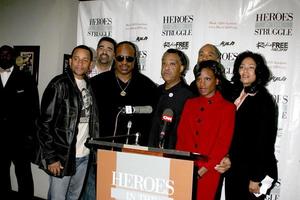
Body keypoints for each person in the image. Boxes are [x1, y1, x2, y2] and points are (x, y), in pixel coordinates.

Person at [36, 45, 99, 200]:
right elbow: (44, 124)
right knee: (58, 197)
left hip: (84, 155)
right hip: (62, 156)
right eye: (76, 59)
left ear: (90, 64)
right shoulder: (58, 84)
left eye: (85, 60)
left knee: (73, 197)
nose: (80, 63)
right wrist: (51, 158)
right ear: (70, 61)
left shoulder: (89, 85)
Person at [176, 60, 236, 200]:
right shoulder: (190, 104)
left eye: (207, 79)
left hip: (210, 171)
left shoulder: (228, 108)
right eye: (199, 79)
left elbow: (222, 144)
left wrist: (204, 168)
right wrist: (182, 164)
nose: (202, 84)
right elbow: (181, 136)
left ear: (217, 81)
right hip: (185, 168)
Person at [225, 51, 278, 200]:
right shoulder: (238, 94)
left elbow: (264, 141)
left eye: (251, 67)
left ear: (258, 71)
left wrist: (256, 177)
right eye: (242, 67)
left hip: (253, 173)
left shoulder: (263, 100)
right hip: (235, 168)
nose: (245, 71)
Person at [91, 40, 158, 146]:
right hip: (102, 147)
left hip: (134, 149)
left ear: (135, 60)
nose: (124, 62)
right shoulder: (96, 83)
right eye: (120, 58)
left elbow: (151, 124)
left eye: (129, 59)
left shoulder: (148, 86)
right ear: (114, 57)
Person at [0, 45, 40, 199]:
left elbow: (34, 109)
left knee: (24, 175)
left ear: (14, 56)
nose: (4, 57)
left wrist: (31, 136)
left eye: (7, 54)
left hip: (20, 139)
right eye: (1, 54)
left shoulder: (26, 78)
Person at [80, 36, 117, 200]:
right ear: (97, 50)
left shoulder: (117, 78)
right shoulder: (83, 74)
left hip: (105, 139)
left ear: (114, 55)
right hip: (82, 139)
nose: (104, 51)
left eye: (109, 49)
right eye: (102, 47)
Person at [148, 48, 194, 149]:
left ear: (181, 68)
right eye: (164, 63)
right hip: (149, 152)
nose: (166, 68)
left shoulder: (188, 96)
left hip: (173, 156)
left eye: (172, 64)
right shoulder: (155, 91)